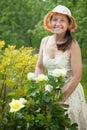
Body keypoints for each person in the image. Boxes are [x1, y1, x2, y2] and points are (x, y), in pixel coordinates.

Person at [35, 5, 87, 130]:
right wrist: (39, 89)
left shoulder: (73, 45)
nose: (57, 23)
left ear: (69, 24)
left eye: (62, 20)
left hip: (69, 93)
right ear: (50, 22)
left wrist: (61, 99)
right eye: (55, 20)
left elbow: (77, 75)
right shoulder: (45, 41)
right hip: (49, 91)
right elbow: (40, 67)